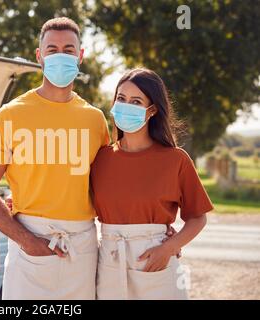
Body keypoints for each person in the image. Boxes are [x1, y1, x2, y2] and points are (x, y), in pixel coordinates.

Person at [0, 17, 109, 299]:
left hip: (82, 248)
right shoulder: (9, 116)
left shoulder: (95, 120)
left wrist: (158, 230)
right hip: (29, 245)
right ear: (39, 56)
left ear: (80, 56)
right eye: (52, 49)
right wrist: (28, 241)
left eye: (69, 50)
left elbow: (109, 191)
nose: (61, 56)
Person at [91, 67, 213, 300]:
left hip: (156, 263)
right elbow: (73, 198)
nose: (126, 105)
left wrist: (168, 247)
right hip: (109, 260)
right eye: (121, 98)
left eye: (136, 101)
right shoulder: (99, 159)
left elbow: (198, 217)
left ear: (152, 110)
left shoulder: (176, 159)